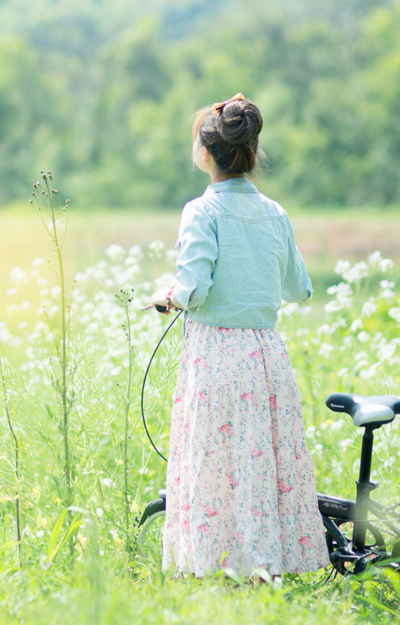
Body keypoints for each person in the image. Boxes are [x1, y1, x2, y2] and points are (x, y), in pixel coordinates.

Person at [149, 94, 329, 582]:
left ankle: (216, 566)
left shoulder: (201, 211)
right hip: (265, 355)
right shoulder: (274, 212)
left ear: (206, 153)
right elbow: (300, 287)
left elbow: (194, 289)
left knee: (214, 461)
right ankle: (264, 565)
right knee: (259, 462)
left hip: (216, 354)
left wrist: (168, 294)